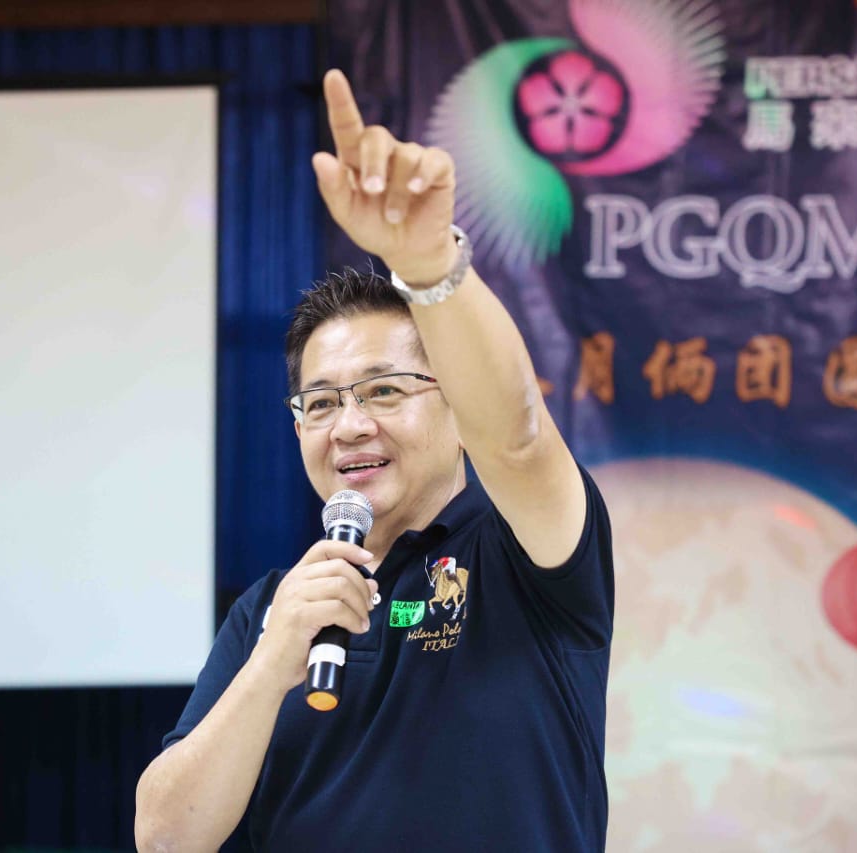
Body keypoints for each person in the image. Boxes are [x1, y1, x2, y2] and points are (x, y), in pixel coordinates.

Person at [135, 69, 613, 852]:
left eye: (384, 390)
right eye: (321, 403)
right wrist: (273, 660)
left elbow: (519, 438)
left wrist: (428, 265)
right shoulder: (273, 607)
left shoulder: (524, 553)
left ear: (455, 402)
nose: (350, 426)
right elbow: (164, 836)